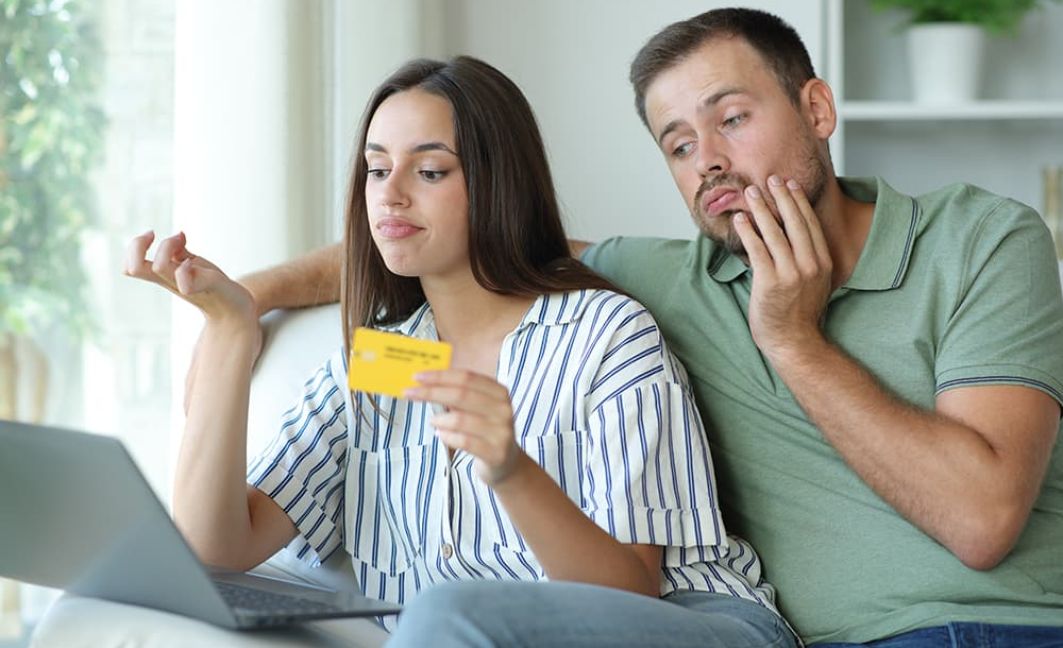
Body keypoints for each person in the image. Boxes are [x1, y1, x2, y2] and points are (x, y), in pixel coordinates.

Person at [236, 8, 1063, 647]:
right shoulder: (666, 279)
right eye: (677, 145)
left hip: (992, 628)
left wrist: (792, 339)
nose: (708, 160)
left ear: (815, 107)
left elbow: (980, 522)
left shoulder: (980, 238)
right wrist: (250, 297)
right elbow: (458, 239)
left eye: (730, 119)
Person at [125, 56, 797, 647]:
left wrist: (510, 469)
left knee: (446, 610)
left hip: (694, 623)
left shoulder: (605, 335)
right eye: (377, 169)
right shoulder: (379, 363)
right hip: (476, 634)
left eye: (429, 170)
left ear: (498, 184)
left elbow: (627, 591)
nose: (391, 193)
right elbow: (216, 548)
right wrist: (230, 328)